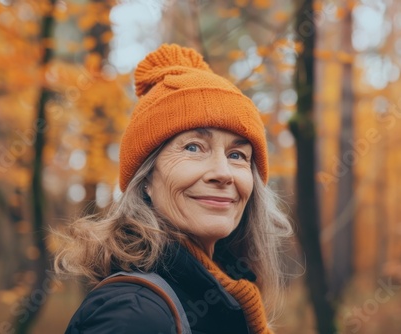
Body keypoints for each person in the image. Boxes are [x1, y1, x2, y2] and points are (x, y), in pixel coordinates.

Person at [54, 44, 293, 334]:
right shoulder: (134, 315)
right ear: (146, 181)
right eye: (193, 147)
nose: (222, 173)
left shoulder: (225, 293)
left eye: (237, 155)